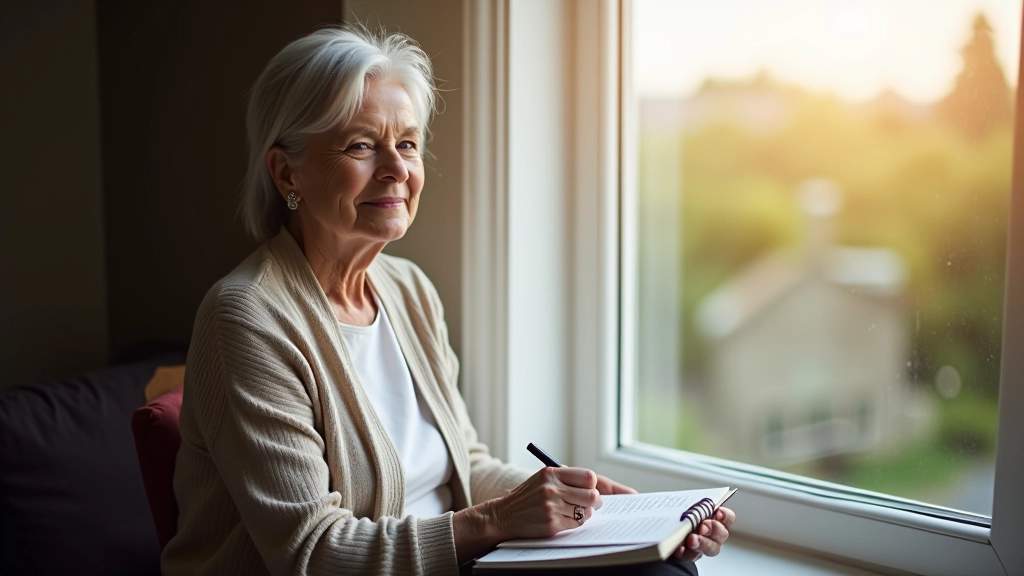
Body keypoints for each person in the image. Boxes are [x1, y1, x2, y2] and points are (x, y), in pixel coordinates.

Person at [161, 25, 734, 576]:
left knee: (664, 564)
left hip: (456, 562)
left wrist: (592, 509)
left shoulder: (408, 289)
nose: (396, 170)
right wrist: (498, 519)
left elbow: (466, 465)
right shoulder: (247, 318)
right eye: (361, 145)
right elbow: (312, 555)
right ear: (288, 173)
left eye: (407, 144)